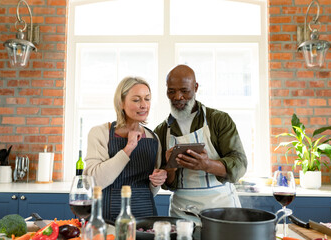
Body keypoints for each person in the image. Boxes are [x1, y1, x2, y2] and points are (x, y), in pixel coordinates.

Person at [154, 65, 247, 223]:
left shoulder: (219, 120)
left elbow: (240, 164)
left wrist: (207, 165)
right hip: (182, 213)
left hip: (221, 209)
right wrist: (170, 168)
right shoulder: (162, 131)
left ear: (195, 87)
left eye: (185, 90)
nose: (178, 97)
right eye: (171, 91)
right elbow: (168, 184)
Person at [84, 76, 167, 221]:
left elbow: (150, 190)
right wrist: (128, 149)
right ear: (121, 103)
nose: (144, 105)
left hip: (146, 217)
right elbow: (93, 181)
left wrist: (156, 181)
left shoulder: (153, 138)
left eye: (147, 99)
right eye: (136, 100)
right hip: (108, 218)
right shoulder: (100, 133)